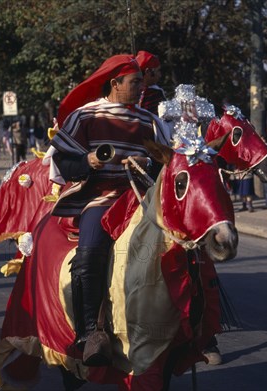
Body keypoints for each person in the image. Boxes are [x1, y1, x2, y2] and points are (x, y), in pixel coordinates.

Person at [50, 54, 170, 367]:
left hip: (140, 198)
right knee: (89, 254)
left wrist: (150, 162)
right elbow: (62, 161)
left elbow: (165, 165)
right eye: (134, 82)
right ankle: (90, 332)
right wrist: (88, 162)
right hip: (101, 197)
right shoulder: (86, 116)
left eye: (142, 82)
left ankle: (196, 329)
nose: (141, 87)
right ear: (115, 83)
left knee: (187, 245)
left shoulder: (149, 121)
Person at [136, 50, 166, 116]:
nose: (160, 75)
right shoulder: (154, 93)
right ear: (148, 72)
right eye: (158, 71)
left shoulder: (132, 91)